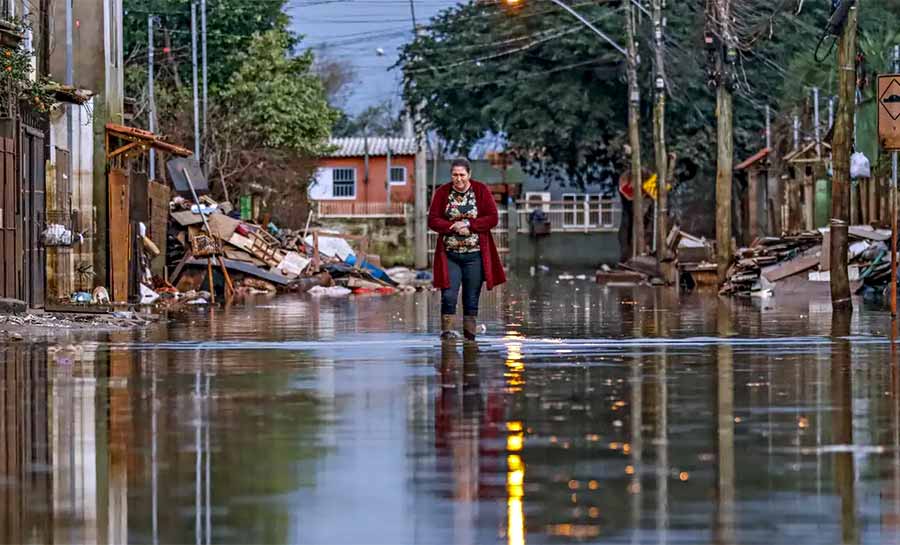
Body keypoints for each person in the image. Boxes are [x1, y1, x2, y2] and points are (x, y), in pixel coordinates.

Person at [428, 158, 506, 340]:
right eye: (455, 175)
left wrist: (470, 225)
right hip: (450, 255)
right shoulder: (442, 193)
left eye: (462, 175)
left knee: (471, 299)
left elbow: (492, 218)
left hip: (475, 256)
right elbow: (433, 220)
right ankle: (447, 335)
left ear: (469, 175)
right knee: (448, 295)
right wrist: (452, 226)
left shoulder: (481, 190)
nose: (458, 179)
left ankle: (470, 339)